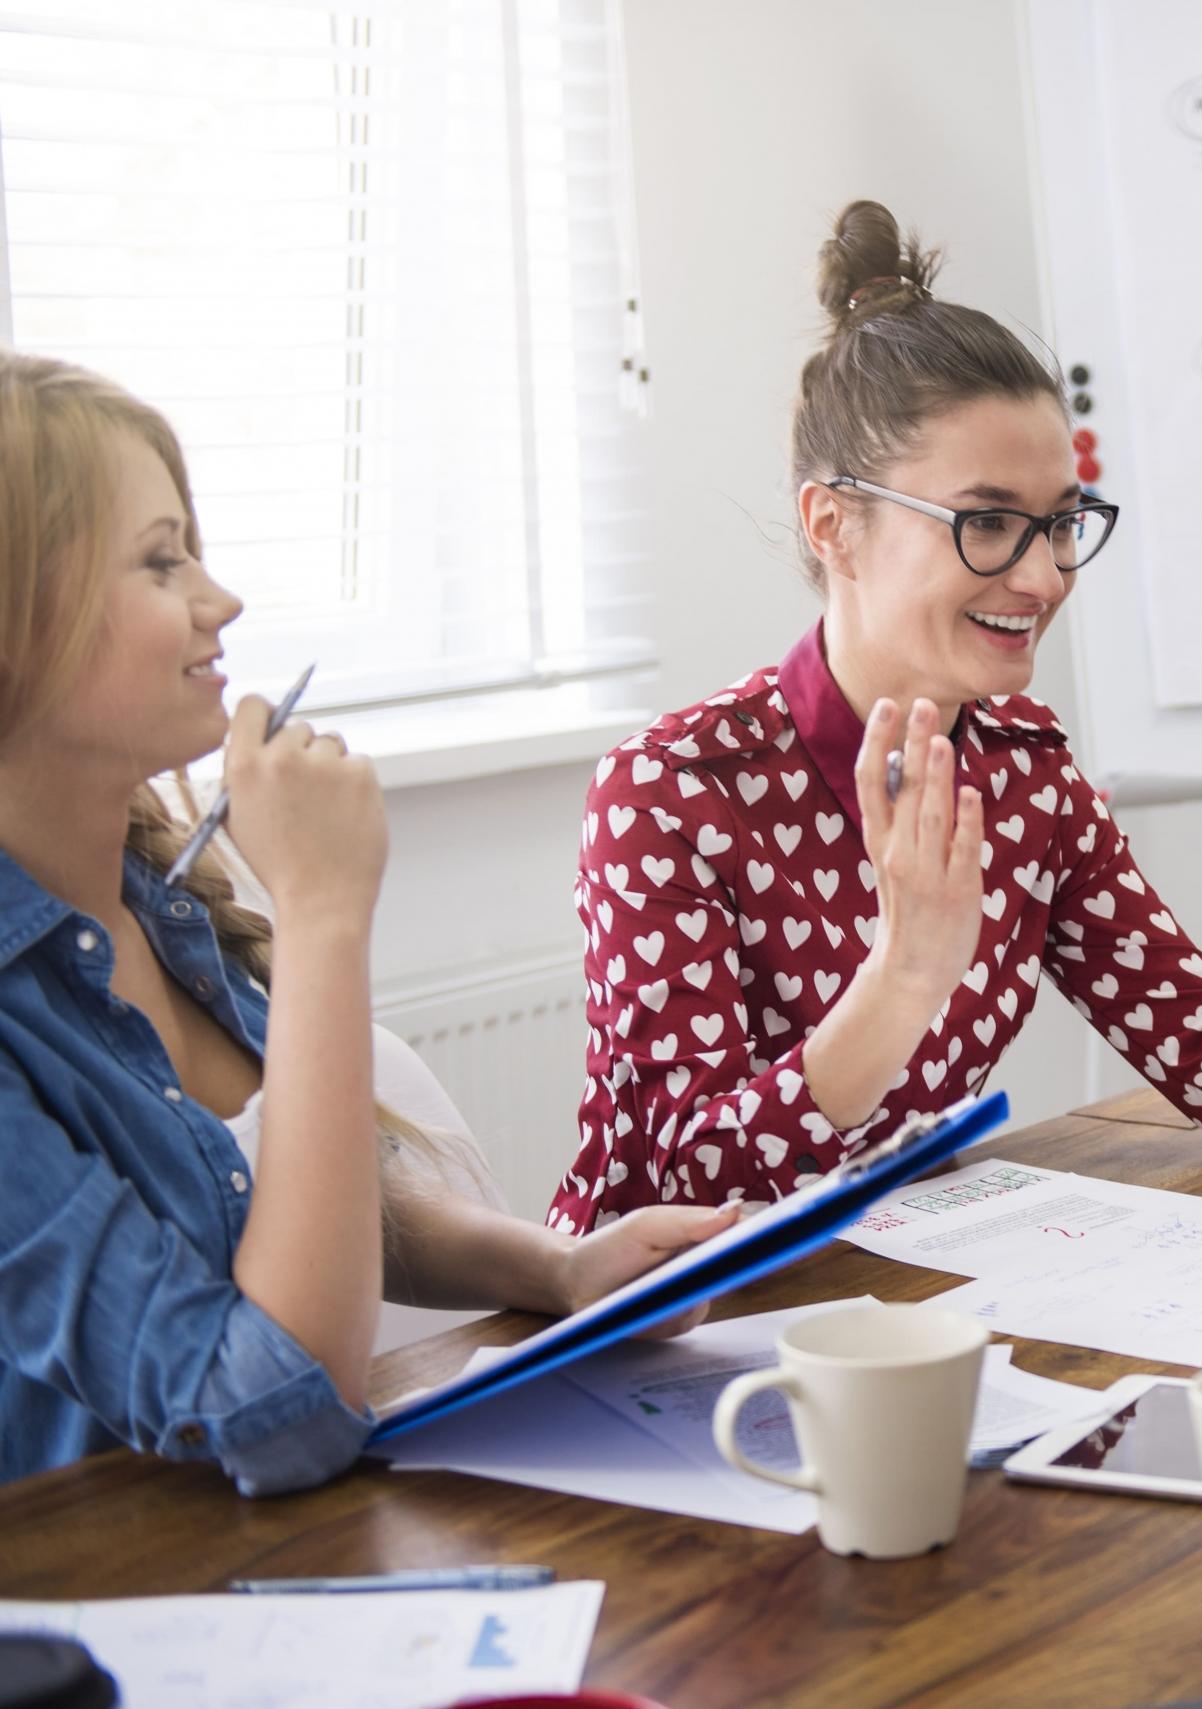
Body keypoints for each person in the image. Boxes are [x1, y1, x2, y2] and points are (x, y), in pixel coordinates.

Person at [548, 202, 1202, 1231]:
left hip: (902, 1303)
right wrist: (898, 984)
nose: (1042, 575)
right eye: (986, 522)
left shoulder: (1024, 771)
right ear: (834, 525)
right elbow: (679, 1187)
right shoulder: (674, 790)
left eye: (1062, 522)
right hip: (659, 1343)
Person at [0, 354, 736, 1494]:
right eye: (161, 560)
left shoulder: (149, 896)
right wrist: (327, 916)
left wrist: (564, 1266)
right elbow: (280, 1404)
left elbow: (312, 1207)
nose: (220, 600)